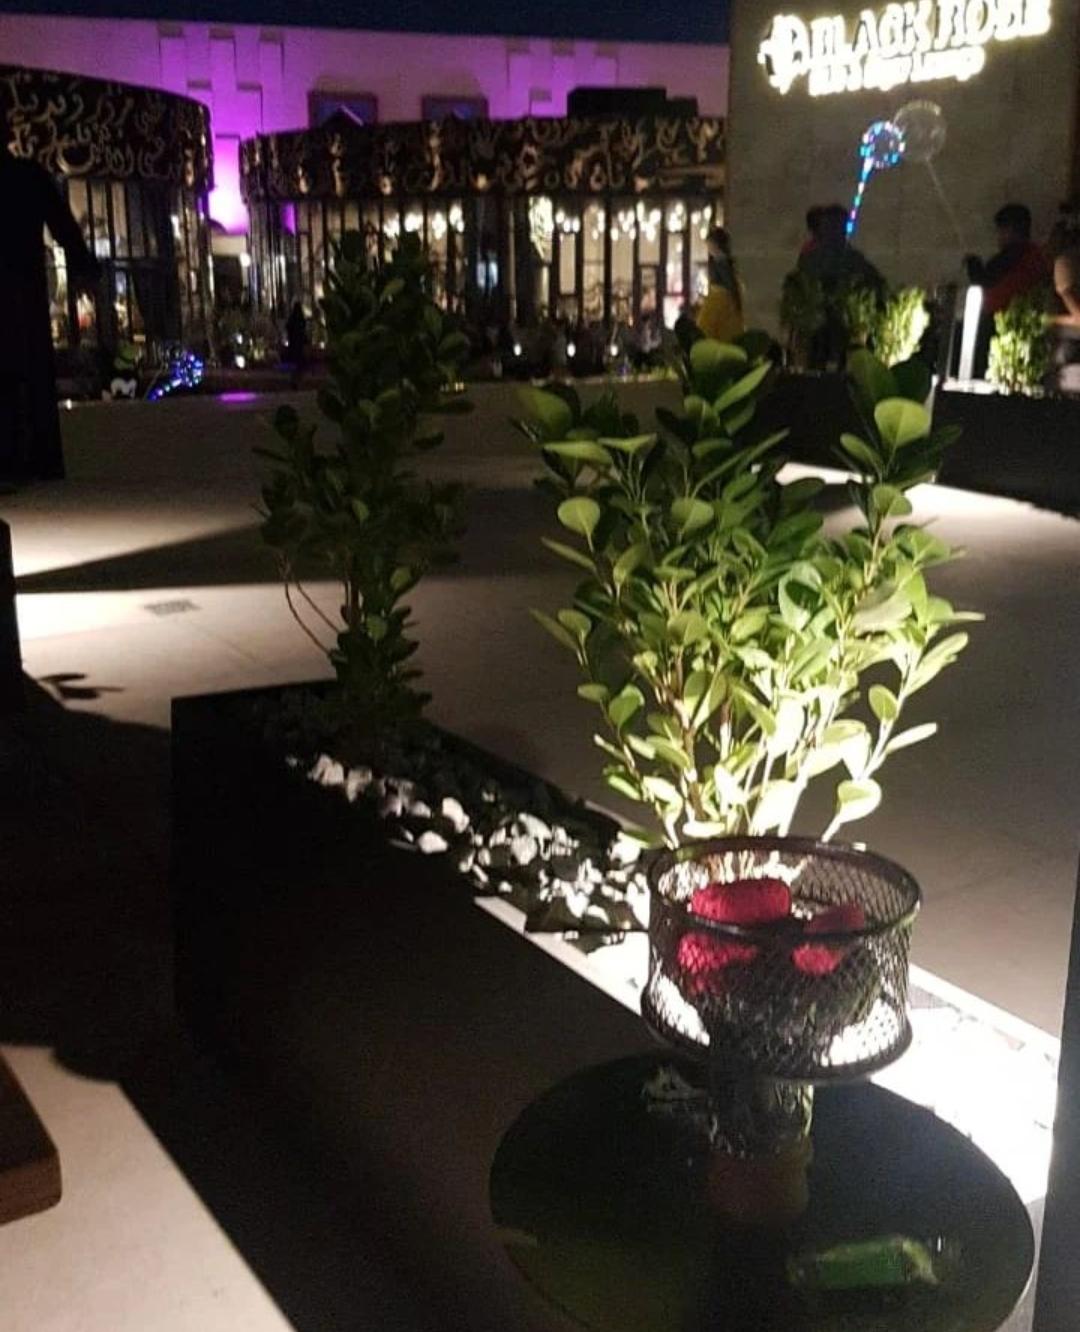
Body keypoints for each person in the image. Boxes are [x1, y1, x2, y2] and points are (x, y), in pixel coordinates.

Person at [0, 140, 99, 484]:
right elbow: (63, 226)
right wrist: (84, 265)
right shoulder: (28, 176)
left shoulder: (28, 176)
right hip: (23, 289)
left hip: (18, 289)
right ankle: (32, 458)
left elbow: (63, 226)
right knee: (26, 371)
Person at [965, 203, 1050, 317]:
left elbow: (983, 281)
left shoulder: (1012, 255)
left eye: (1000, 231)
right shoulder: (1035, 254)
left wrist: (973, 263)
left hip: (999, 316)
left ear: (1009, 230)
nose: (998, 237)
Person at [696, 227, 745, 343]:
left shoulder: (721, 261)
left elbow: (729, 283)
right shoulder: (721, 262)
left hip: (720, 300)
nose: (708, 248)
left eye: (709, 244)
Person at [284, 301, 307, 388]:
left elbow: (288, 328)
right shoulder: (301, 319)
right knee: (299, 365)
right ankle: (297, 381)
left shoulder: (292, 319)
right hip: (299, 345)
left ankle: (294, 380)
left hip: (293, 344)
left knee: (294, 365)